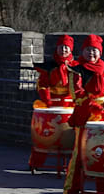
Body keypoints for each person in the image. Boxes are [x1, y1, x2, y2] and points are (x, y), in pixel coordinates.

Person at [63, 34, 104, 194]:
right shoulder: (76, 69)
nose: (92, 53)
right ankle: (72, 189)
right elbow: (76, 93)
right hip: (85, 115)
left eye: (95, 50)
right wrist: (91, 104)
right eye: (88, 50)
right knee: (80, 153)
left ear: (100, 52)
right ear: (83, 51)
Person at [29, 34, 75, 169]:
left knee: (73, 138)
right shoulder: (49, 66)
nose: (64, 50)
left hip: (70, 104)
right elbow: (42, 84)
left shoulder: (77, 67)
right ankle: (36, 163)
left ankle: (74, 166)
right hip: (51, 104)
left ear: (71, 50)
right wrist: (46, 96)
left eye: (66, 48)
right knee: (43, 136)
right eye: (61, 47)